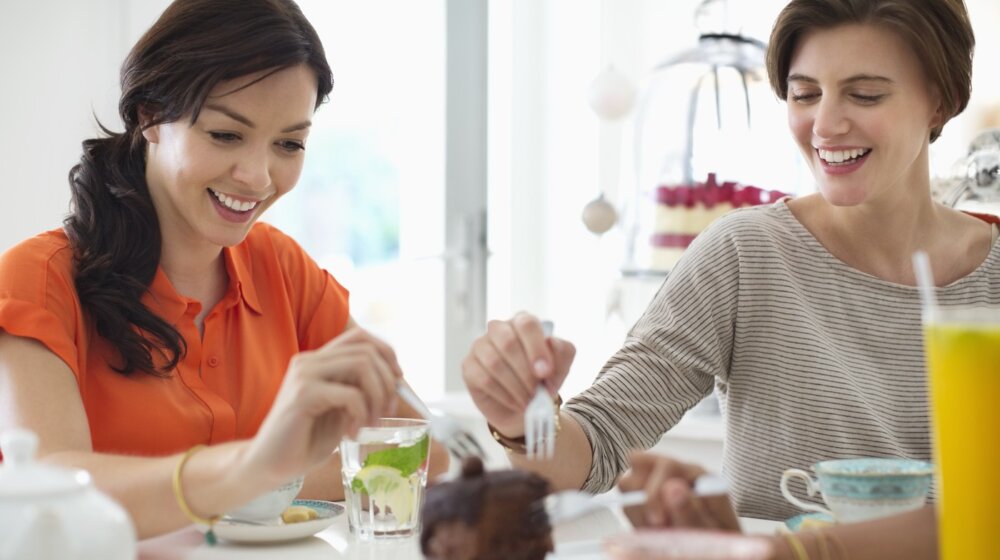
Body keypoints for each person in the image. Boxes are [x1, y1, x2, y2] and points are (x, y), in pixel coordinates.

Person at [463, 0, 990, 550]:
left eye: (865, 95)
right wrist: (522, 420)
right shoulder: (745, 254)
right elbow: (594, 448)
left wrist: (796, 553)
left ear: (940, 100)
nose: (825, 125)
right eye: (805, 94)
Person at [0, 0, 447, 540]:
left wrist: (267, 475)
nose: (257, 176)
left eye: (289, 144)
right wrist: (256, 469)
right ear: (149, 116)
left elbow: (422, 450)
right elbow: (50, 496)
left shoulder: (284, 269)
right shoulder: (39, 280)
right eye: (226, 134)